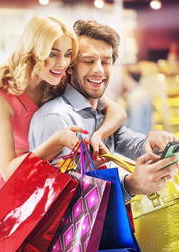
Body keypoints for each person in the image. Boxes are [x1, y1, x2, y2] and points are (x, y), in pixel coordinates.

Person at [29, 19, 178, 200]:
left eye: (106, 62)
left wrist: (154, 143)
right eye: (88, 61)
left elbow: (127, 141)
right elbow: (60, 199)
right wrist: (130, 185)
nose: (99, 70)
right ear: (70, 67)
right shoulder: (56, 117)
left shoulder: (100, 110)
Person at [0, 16, 126, 197]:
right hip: (18, 192)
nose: (62, 63)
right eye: (53, 53)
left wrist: (99, 135)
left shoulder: (58, 79)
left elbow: (116, 111)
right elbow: (9, 171)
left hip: (52, 186)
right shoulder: (1, 98)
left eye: (67, 54)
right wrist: (56, 142)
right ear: (33, 51)